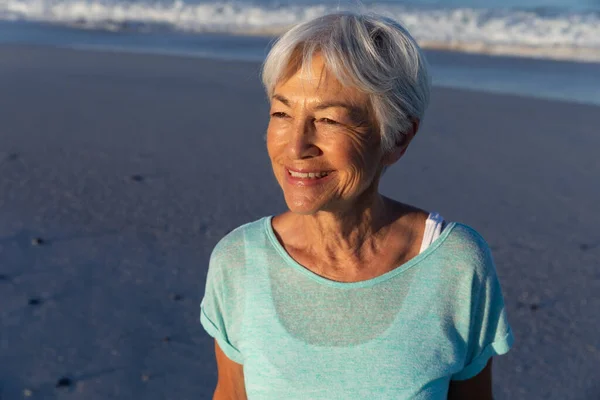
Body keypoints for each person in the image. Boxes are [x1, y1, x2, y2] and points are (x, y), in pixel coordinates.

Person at [200, 11, 514, 400]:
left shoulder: (457, 265)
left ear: (397, 137)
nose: (296, 147)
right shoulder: (239, 262)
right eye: (282, 113)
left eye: (329, 120)